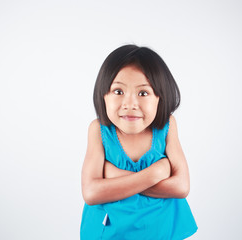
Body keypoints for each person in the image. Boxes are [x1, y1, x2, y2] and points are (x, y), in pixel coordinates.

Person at [80, 44, 197, 239]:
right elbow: (91, 192)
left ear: (160, 98)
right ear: (104, 95)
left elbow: (181, 186)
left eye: (143, 93)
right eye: (118, 91)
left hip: (160, 230)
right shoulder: (98, 130)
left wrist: (114, 176)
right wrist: (155, 173)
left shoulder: (166, 127)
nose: (130, 104)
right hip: (111, 231)